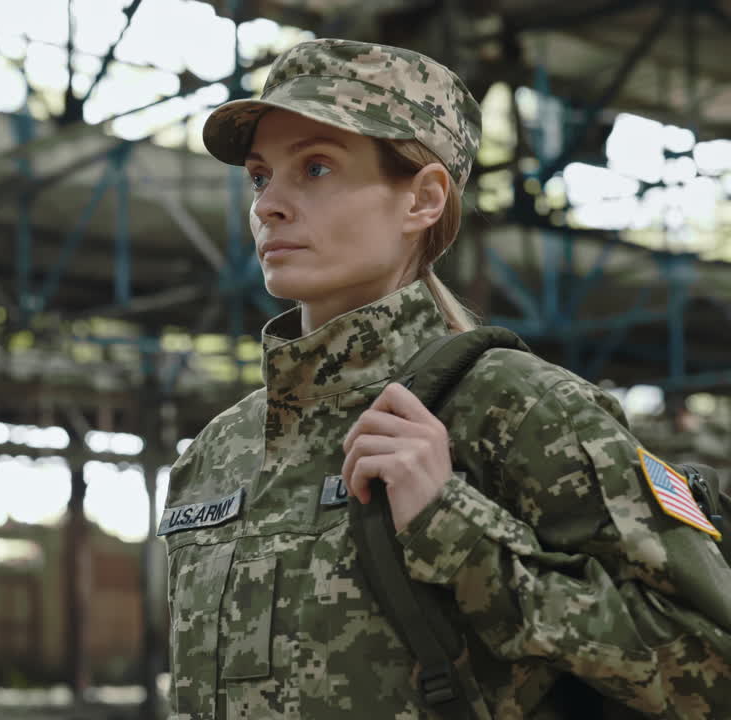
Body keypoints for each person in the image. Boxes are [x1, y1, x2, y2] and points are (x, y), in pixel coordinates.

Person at [159, 37, 731, 718]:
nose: (269, 206)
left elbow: (712, 671)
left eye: (315, 168)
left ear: (422, 200)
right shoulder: (219, 452)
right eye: (260, 176)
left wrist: (457, 530)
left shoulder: (518, 410)